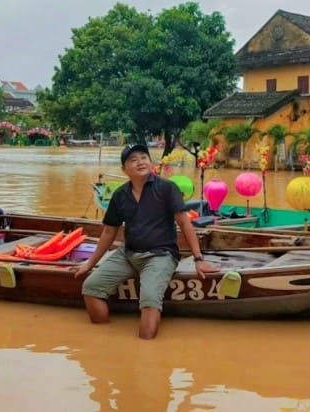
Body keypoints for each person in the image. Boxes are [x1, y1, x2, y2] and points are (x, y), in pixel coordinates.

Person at [74, 143, 219, 339]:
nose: (140, 162)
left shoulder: (166, 188)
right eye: (133, 160)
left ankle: (146, 349)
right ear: (124, 170)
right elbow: (109, 231)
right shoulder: (120, 195)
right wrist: (90, 264)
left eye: (143, 157)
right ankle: (104, 339)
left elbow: (185, 224)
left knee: (150, 300)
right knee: (91, 287)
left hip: (160, 255)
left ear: (151, 163)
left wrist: (198, 259)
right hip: (128, 254)